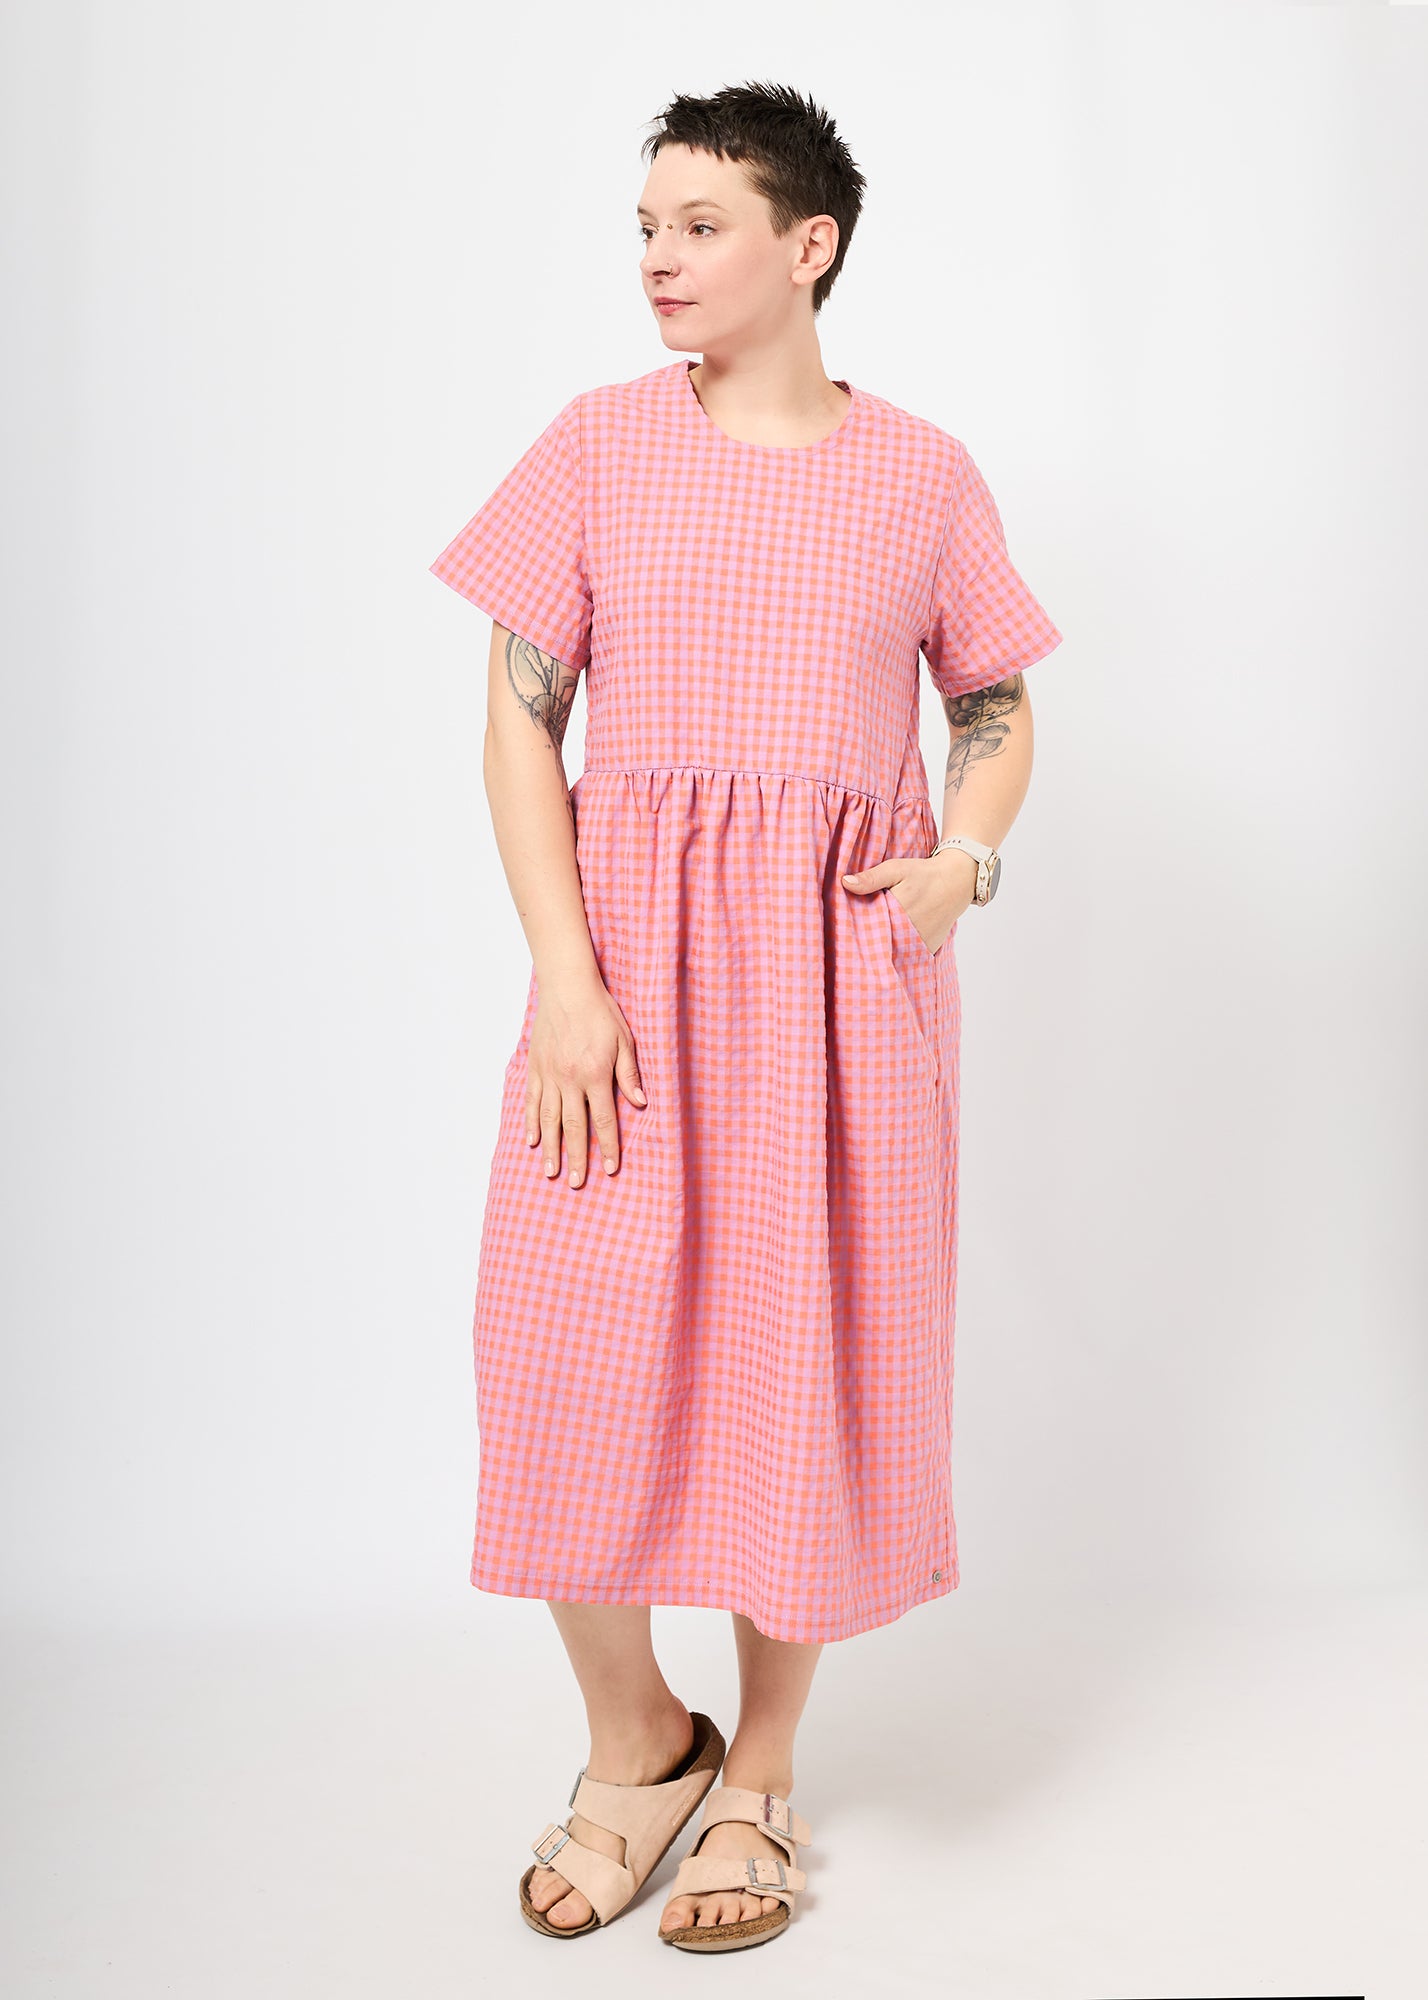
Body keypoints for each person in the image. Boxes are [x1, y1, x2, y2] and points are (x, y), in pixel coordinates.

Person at [428, 81, 1064, 1954]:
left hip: (840, 995)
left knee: (802, 1365)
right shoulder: (594, 447)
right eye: (646, 226)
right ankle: (640, 1738)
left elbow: (1000, 706)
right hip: (622, 984)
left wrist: (964, 859)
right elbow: (518, 732)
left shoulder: (923, 473)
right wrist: (564, 979)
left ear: (810, 245)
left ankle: (760, 1773)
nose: (658, 258)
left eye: (699, 225)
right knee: (564, 1348)